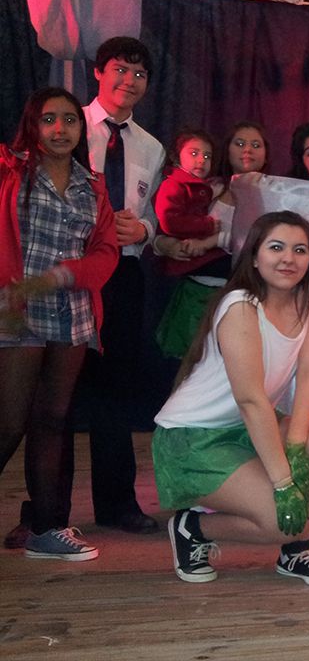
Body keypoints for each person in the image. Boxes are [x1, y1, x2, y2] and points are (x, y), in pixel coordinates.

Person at [153, 211, 309, 586]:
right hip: (192, 438)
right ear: (254, 256)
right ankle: (193, 528)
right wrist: (283, 480)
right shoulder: (240, 305)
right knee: (279, 518)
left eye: (300, 250)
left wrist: (297, 445)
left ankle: (296, 549)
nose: (288, 258)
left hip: (246, 428)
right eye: (276, 247)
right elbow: (251, 400)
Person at [0, 87, 118, 560]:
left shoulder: (93, 186)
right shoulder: (10, 171)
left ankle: (47, 529)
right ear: (33, 125)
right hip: (18, 309)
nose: (60, 129)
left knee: (51, 421)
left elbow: (106, 253)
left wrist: (66, 274)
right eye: (49, 119)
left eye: (70, 120)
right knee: (9, 422)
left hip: (72, 313)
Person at [69, 36, 166, 537]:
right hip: (70, 270)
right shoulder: (70, 126)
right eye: (120, 70)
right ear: (98, 72)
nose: (129, 81)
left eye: (139, 73)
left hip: (122, 276)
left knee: (115, 388)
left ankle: (117, 504)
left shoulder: (151, 145)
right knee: (57, 392)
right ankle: (45, 511)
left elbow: (154, 214)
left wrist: (143, 230)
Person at [153, 129, 234, 358]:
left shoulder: (204, 186)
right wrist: (207, 229)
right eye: (194, 153)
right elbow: (169, 222)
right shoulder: (176, 184)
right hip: (191, 271)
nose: (201, 160)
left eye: (207, 156)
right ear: (177, 156)